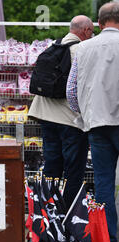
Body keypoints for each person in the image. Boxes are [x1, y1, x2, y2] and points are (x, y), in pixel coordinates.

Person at [67, 2, 119, 242]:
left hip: (96, 123)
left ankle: (109, 237)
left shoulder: (83, 48)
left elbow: (71, 91)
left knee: (103, 182)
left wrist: (84, 113)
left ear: (99, 23)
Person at [28, 15, 94, 207]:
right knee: (73, 169)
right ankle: (70, 213)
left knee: (52, 164)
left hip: (45, 115)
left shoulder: (53, 47)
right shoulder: (81, 51)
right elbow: (81, 88)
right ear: (86, 31)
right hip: (70, 120)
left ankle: (49, 210)